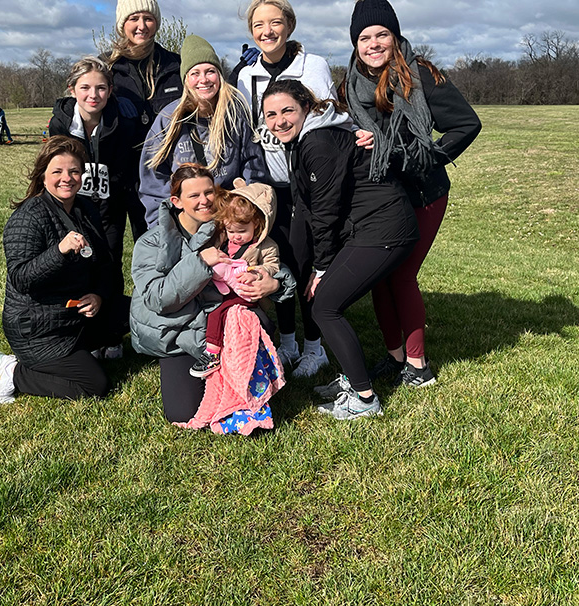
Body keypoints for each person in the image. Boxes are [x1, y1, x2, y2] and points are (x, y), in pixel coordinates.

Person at [343, 0, 482, 388]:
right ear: (355, 44)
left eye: (381, 34)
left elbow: (466, 124)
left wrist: (427, 156)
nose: (373, 44)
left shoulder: (419, 76)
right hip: (382, 196)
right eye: (364, 37)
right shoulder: (350, 84)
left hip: (423, 191)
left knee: (402, 274)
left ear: (395, 36)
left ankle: (419, 366)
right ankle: (395, 355)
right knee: (378, 276)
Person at [261, 79, 419, 420]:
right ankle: (352, 381)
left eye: (287, 110)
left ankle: (364, 400)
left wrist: (321, 268)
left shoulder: (318, 141)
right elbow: (305, 206)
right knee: (325, 302)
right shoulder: (306, 138)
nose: (280, 121)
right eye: (271, 114)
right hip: (368, 227)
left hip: (384, 228)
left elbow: (325, 211)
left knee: (326, 306)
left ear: (306, 107)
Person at [130, 164, 294, 424]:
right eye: (194, 195)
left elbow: (262, 256)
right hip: (179, 334)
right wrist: (200, 263)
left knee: (257, 321)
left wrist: (274, 284)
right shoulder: (152, 242)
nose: (204, 201)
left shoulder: (226, 228)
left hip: (222, 326)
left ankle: (244, 385)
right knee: (182, 414)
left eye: (209, 192)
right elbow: (157, 298)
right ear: (177, 201)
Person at [234, 0, 339, 377]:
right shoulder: (245, 75)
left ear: (289, 25)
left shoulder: (314, 65)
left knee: (304, 260)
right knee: (274, 261)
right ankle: (288, 341)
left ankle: (315, 346)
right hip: (268, 187)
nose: (267, 30)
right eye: (258, 24)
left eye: (275, 22)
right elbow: (245, 129)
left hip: (306, 184)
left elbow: (326, 121)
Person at [0, 136, 122, 404]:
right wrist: (58, 252)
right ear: (43, 176)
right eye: (57, 172)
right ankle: (13, 372)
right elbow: (21, 278)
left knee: (130, 313)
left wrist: (97, 295)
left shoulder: (86, 209)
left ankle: (89, 346)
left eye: (74, 171)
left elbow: (105, 264)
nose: (67, 178)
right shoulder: (28, 216)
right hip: (36, 326)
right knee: (95, 384)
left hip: (74, 313)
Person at [48, 56, 140, 359]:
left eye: (101, 88)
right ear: (72, 89)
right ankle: (82, 332)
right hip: (74, 205)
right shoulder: (61, 121)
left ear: (110, 90)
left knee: (110, 264)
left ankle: (111, 333)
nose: (93, 95)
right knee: (79, 263)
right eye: (85, 87)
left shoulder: (121, 120)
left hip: (111, 204)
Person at [139, 34, 268, 227]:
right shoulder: (169, 119)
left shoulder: (235, 115)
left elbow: (253, 168)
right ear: (185, 80)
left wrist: (246, 208)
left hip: (230, 219)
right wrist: (162, 225)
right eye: (195, 73)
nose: (204, 80)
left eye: (210, 71)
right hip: (185, 221)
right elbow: (153, 178)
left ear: (219, 75)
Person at [102, 0, 183, 239]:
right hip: (117, 175)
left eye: (148, 18)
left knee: (158, 244)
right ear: (121, 23)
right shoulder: (107, 67)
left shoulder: (175, 65)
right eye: (133, 18)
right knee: (107, 253)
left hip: (160, 174)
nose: (141, 25)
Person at [191, 180, 281, 379]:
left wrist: (256, 272)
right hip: (222, 288)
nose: (236, 237)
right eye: (231, 231)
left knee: (218, 312)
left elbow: (273, 266)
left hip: (247, 292)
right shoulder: (223, 239)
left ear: (257, 224)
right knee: (214, 311)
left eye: (242, 231)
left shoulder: (266, 246)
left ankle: (212, 353)